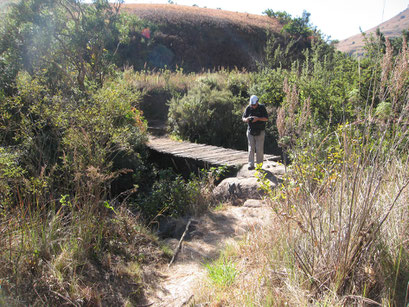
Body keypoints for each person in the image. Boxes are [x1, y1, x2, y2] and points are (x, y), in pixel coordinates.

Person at [242, 95, 268, 170]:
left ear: (257, 102)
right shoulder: (248, 108)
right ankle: (251, 164)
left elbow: (266, 118)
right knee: (251, 148)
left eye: (254, 105)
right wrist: (246, 119)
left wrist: (258, 119)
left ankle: (259, 165)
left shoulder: (262, 108)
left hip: (260, 131)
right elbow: (243, 118)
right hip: (250, 131)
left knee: (259, 149)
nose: (253, 106)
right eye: (252, 105)